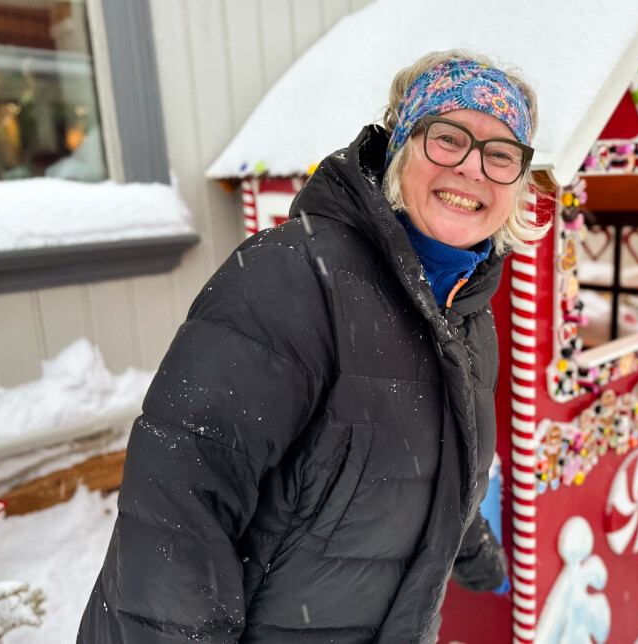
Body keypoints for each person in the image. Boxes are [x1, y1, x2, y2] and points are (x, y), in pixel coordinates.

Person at [78, 49, 548, 643]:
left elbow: (445, 464)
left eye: (500, 153)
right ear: (402, 147)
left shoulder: (471, 318)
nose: (473, 169)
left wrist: (478, 556)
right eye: (448, 138)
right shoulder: (290, 276)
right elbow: (177, 512)